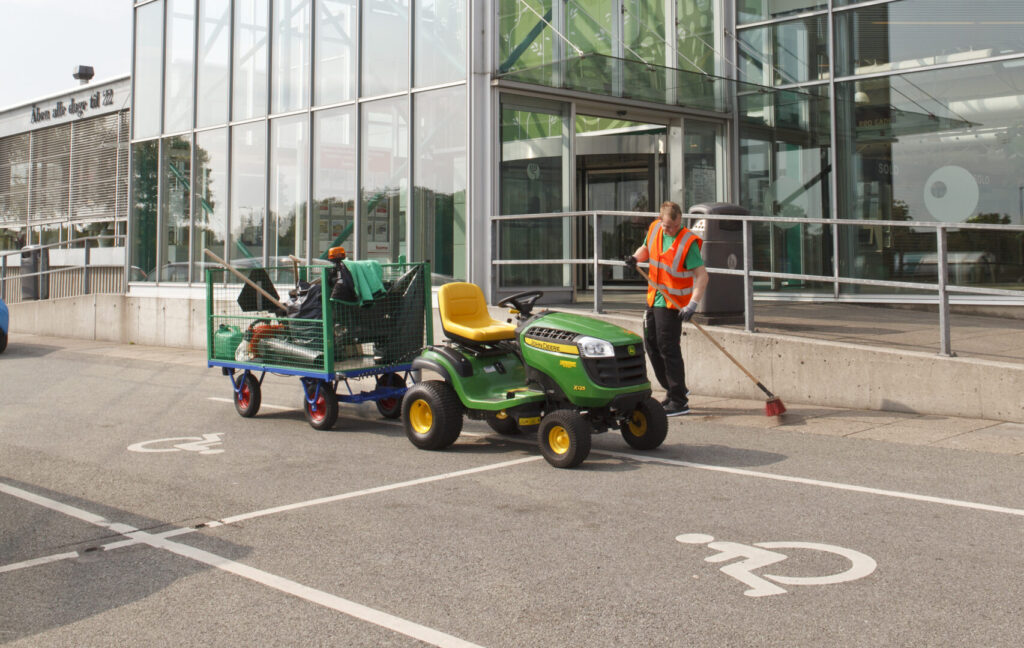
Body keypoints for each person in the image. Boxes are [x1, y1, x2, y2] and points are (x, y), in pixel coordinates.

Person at [624, 201, 708, 416]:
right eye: (668, 226)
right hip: (654, 297)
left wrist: (693, 304)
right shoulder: (654, 229)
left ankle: (679, 400)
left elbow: (702, 276)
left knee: (667, 347)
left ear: (680, 221)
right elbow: (646, 249)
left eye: (676, 226)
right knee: (651, 344)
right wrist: (635, 258)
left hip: (673, 303)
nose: (672, 230)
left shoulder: (687, 241)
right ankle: (674, 389)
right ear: (661, 221)